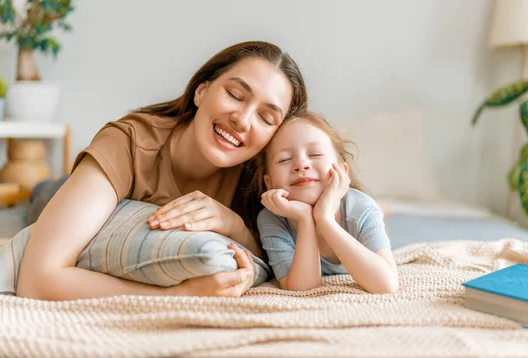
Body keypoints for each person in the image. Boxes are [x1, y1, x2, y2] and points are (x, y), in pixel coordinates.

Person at [15, 41, 308, 300]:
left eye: (266, 118)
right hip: (65, 189)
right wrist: (180, 294)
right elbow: (37, 280)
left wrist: (234, 226)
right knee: (42, 197)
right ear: (201, 91)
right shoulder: (128, 143)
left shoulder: (263, 177)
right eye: (235, 94)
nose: (243, 121)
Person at [253, 112, 399, 293]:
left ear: (343, 171)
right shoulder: (272, 219)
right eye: (284, 159)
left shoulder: (361, 208)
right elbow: (302, 288)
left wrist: (325, 219)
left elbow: (386, 285)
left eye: (315, 154)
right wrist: (306, 219)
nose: (301, 164)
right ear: (269, 183)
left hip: (359, 207)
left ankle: (383, 209)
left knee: (376, 210)